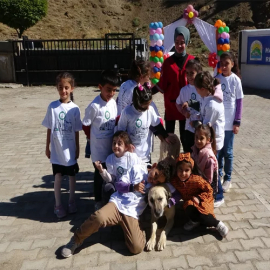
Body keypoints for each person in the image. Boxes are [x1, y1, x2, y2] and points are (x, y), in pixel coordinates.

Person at [60, 159, 175, 258]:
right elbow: (119, 185)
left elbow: (175, 188)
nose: (153, 180)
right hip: (117, 204)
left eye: (157, 181)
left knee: (137, 248)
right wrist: (132, 187)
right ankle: (76, 240)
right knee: (99, 217)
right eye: (155, 175)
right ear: (154, 166)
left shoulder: (156, 186)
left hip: (132, 214)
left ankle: (131, 230)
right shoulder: (137, 168)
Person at [42, 72, 82, 219]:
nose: (63, 91)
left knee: (72, 176)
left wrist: (77, 148)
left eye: (66, 87)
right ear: (57, 88)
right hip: (57, 151)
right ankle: (58, 204)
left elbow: (77, 130)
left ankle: (71, 200)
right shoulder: (52, 107)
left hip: (70, 151)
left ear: (72, 88)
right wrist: (47, 147)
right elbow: (49, 128)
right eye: (60, 87)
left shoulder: (75, 109)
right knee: (58, 176)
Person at [82, 70, 119, 210]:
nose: (111, 94)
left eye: (114, 90)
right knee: (99, 174)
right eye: (108, 90)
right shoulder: (94, 106)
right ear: (100, 87)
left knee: (110, 173)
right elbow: (85, 125)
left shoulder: (113, 103)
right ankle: (98, 200)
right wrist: (92, 139)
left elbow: (115, 120)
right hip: (98, 149)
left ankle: (110, 198)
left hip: (111, 147)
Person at [152, 26, 195, 148]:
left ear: (186, 42)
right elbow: (162, 83)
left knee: (186, 139)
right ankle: (170, 165)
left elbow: (200, 83)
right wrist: (147, 92)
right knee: (170, 141)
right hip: (171, 106)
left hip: (187, 107)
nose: (179, 45)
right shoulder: (167, 63)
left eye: (182, 43)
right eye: (177, 43)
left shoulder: (192, 61)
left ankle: (187, 165)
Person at [170, 153, 229, 237]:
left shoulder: (196, 180)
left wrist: (199, 197)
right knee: (188, 207)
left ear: (191, 170)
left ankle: (218, 224)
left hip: (204, 199)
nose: (183, 173)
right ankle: (195, 221)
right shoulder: (175, 181)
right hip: (190, 202)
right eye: (180, 170)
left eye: (186, 170)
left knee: (203, 214)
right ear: (176, 169)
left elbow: (209, 190)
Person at [117, 83, 176, 163]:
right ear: (137, 102)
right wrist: (127, 144)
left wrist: (165, 135)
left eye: (149, 104)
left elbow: (157, 124)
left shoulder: (150, 110)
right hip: (131, 155)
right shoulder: (127, 112)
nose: (148, 107)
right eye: (145, 105)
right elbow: (121, 131)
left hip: (145, 155)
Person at [194, 71, 225, 208]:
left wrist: (196, 124)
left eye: (196, 89)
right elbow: (202, 111)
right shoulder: (208, 98)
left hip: (214, 140)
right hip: (210, 139)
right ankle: (211, 191)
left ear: (202, 89)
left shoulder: (213, 104)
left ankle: (219, 196)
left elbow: (206, 126)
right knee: (211, 166)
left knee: (213, 167)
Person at [215, 52, 244, 192]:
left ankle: (228, 178)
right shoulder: (217, 79)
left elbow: (239, 102)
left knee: (228, 152)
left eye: (227, 63)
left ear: (232, 64)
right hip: (218, 124)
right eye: (222, 63)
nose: (224, 66)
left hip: (230, 125)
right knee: (218, 152)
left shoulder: (236, 80)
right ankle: (218, 176)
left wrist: (237, 122)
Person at [94, 131, 142, 205]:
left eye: (119, 144)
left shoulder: (132, 157)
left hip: (130, 188)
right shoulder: (110, 159)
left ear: (126, 147)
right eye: (114, 143)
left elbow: (138, 173)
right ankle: (109, 206)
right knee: (107, 187)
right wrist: (101, 170)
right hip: (117, 188)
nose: (116, 146)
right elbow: (110, 179)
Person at [176, 59, 203, 153]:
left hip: (201, 129)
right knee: (188, 153)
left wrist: (190, 103)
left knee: (200, 155)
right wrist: (183, 112)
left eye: (192, 73)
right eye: (187, 73)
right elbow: (178, 103)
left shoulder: (202, 88)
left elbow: (204, 105)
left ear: (199, 73)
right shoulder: (184, 90)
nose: (189, 76)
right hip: (188, 128)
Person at [191, 124, 219, 201]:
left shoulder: (209, 158)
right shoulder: (195, 150)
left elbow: (208, 181)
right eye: (196, 137)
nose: (198, 141)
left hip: (207, 190)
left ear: (208, 140)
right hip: (198, 184)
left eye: (201, 138)